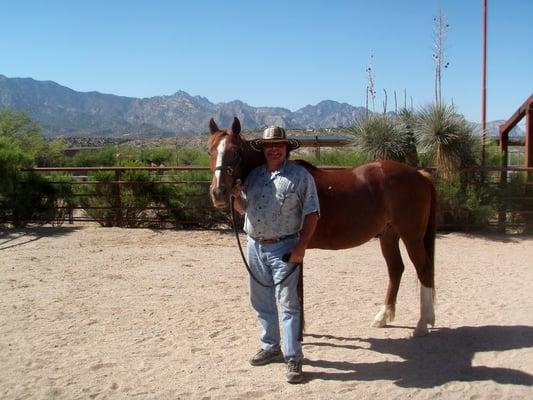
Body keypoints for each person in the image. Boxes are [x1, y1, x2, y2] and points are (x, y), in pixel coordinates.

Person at [231, 126, 320, 384]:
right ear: (264, 149)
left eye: (279, 145)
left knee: (288, 303)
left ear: (286, 149)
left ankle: (293, 356)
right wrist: (237, 198)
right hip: (254, 245)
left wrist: (301, 248)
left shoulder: (300, 177)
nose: (274, 149)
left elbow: (312, 214)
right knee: (260, 301)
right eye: (270, 145)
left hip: (284, 247)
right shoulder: (255, 176)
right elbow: (243, 210)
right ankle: (271, 346)